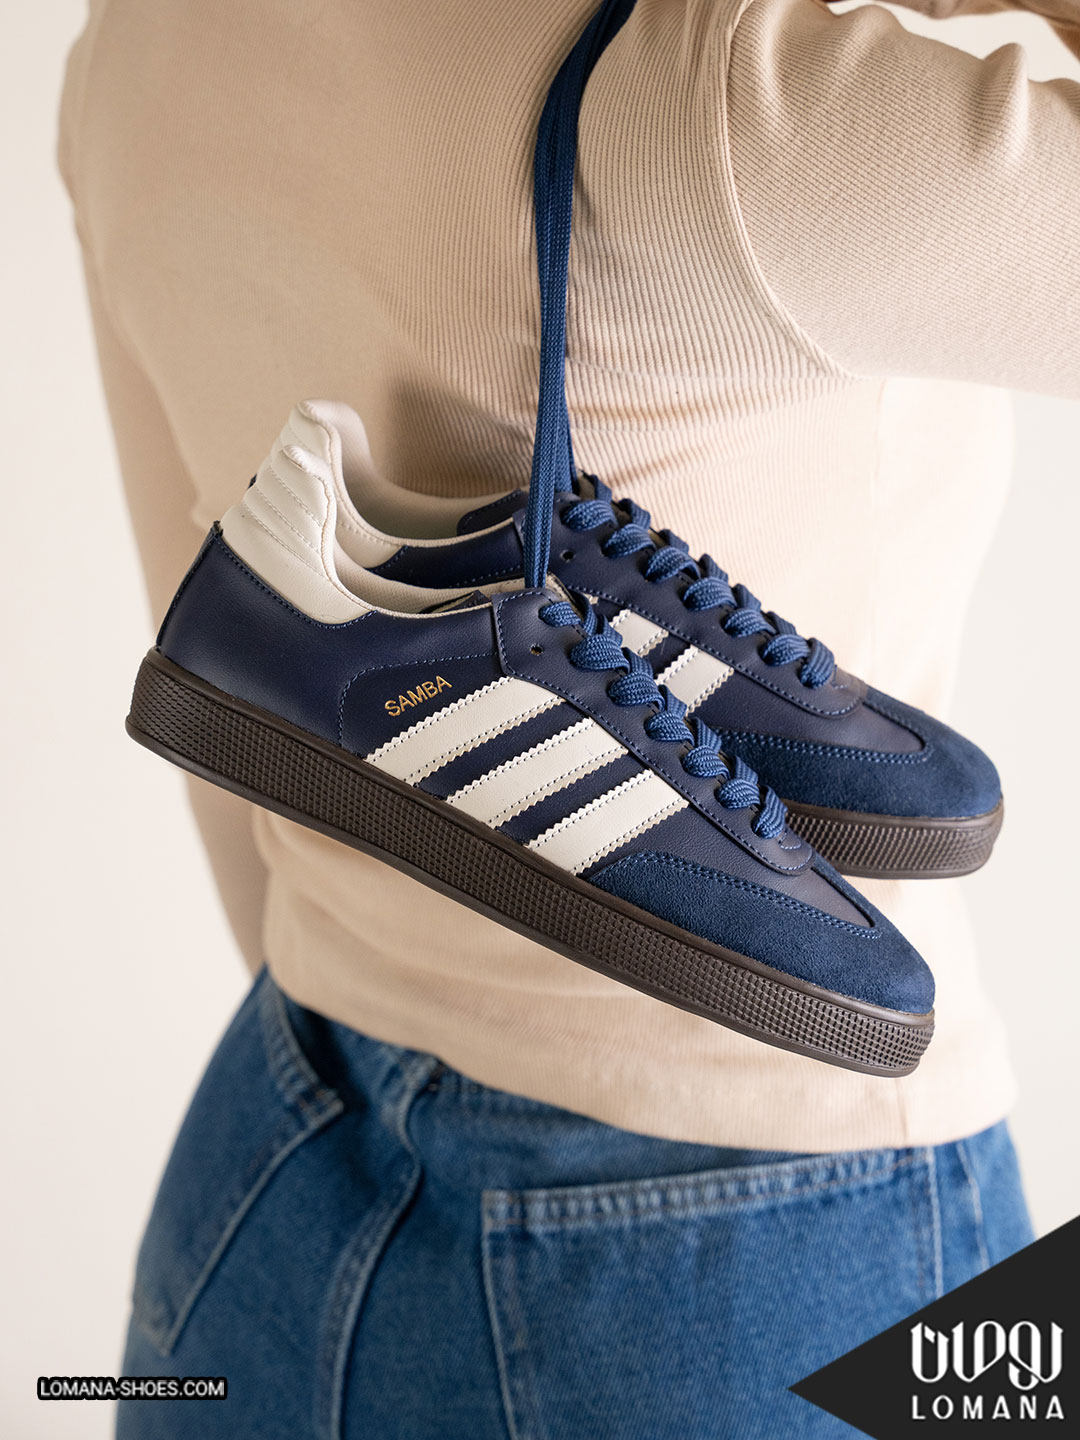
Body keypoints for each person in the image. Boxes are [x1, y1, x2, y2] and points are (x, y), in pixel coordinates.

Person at [59, 0, 1077, 1434]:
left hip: (270, 1170)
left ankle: (490, 581)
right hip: (771, 1251)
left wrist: (398, 980)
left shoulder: (135, 48)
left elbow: (222, 669)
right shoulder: (732, 80)